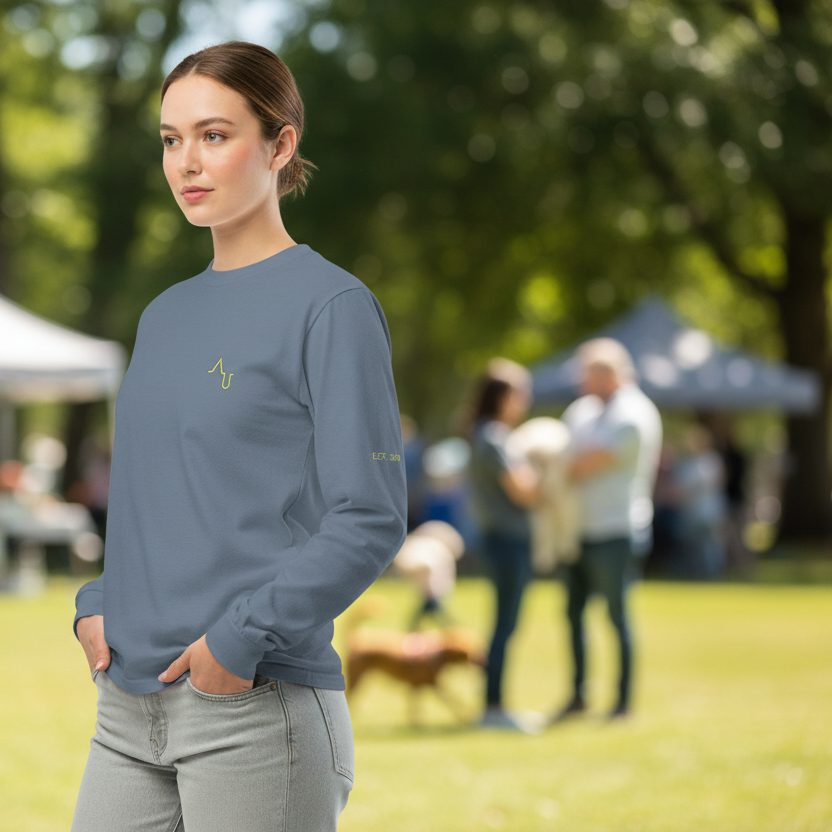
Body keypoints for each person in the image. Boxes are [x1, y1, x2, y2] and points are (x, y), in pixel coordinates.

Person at [70, 41, 407, 832]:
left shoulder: (332, 307)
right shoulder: (163, 316)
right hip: (126, 712)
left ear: (280, 143)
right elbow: (154, 496)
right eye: (170, 139)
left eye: (214, 135)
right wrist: (99, 601)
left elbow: (370, 514)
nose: (187, 161)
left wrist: (238, 640)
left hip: (257, 707)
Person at [553, 338, 662, 721]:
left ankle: (622, 702)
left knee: (617, 615)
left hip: (616, 528)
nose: (582, 383)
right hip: (578, 529)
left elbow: (582, 463)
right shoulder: (581, 411)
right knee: (573, 614)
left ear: (608, 374)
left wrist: (550, 470)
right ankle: (579, 695)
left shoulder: (634, 413)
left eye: (587, 375)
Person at [464, 358, 544, 731]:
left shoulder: (485, 433)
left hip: (500, 540)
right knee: (504, 626)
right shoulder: (495, 436)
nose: (525, 399)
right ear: (502, 396)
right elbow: (523, 490)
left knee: (504, 624)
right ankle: (494, 708)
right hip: (507, 541)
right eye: (519, 392)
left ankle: (494, 705)